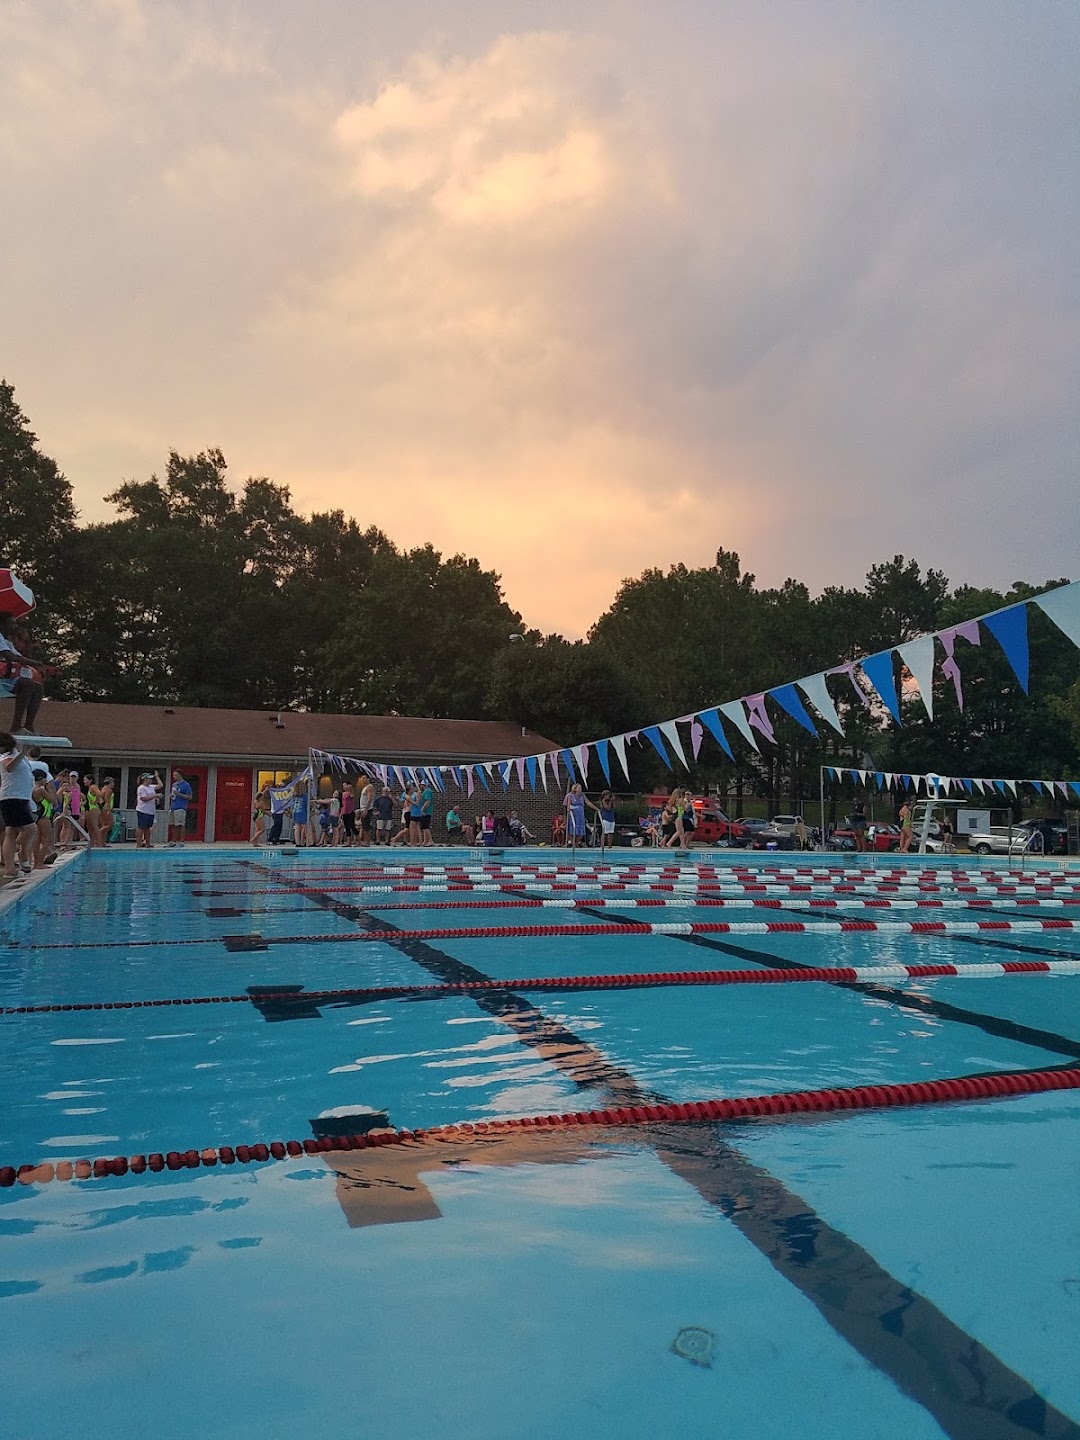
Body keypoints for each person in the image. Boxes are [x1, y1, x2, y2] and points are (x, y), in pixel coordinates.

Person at [1, 732, 37, 877]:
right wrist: (23, 753)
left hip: (20, 797)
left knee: (11, 831)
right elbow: (10, 768)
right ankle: (21, 853)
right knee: (30, 828)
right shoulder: (4, 756)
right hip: (12, 797)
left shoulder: (17, 756)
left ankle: (11, 868)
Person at [0, 628, 46, 735]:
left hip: (6, 678)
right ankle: (15, 726)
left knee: (38, 687)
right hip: (2, 679)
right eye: (11, 622)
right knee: (26, 684)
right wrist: (36, 663)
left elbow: (19, 657)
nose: (14, 624)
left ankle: (28, 726)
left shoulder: (7, 642)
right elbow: (11, 656)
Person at [135, 771, 162, 849]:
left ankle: (148, 843)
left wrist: (157, 777)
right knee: (141, 827)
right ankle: (139, 843)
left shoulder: (151, 787)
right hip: (143, 810)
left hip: (150, 811)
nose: (151, 780)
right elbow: (143, 798)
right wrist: (155, 795)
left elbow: (160, 785)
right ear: (145, 779)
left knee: (148, 828)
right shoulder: (141, 788)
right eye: (149, 778)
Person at [585, 789, 616, 855]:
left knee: (611, 832)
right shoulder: (603, 801)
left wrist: (613, 801)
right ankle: (602, 845)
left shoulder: (611, 801)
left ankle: (609, 846)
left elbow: (614, 807)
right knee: (605, 832)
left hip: (611, 818)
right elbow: (607, 808)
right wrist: (610, 802)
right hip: (606, 818)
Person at [168, 770, 193, 847]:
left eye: (175, 775)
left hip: (181, 807)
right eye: (173, 775)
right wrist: (171, 796)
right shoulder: (174, 785)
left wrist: (179, 794)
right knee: (174, 825)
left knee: (180, 824)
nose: (174, 776)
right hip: (173, 807)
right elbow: (174, 795)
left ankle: (181, 841)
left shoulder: (186, 785)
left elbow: (189, 797)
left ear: (180, 775)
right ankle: (173, 841)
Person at [565, 784, 586, 851]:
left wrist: (596, 808)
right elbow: (568, 805)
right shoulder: (570, 795)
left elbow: (588, 802)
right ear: (575, 788)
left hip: (580, 815)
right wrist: (569, 810)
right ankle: (572, 843)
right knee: (572, 828)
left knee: (581, 830)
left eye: (580, 787)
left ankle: (577, 843)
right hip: (573, 814)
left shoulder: (582, 795)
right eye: (579, 787)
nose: (580, 789)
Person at [357, 778, 375, 847]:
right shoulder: (365, 788)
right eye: (362, 778)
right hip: (363, 808)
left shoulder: (369, 787)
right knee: (364, 826)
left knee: (366, 826)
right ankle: (365, 841)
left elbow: (370, 799)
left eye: (364, 778)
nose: (363, 780)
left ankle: (367, 842)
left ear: (368, 779)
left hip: (367, 809)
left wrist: (366, 809)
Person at [418, 775, 435, 847]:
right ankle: (425, 841)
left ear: (423, 785)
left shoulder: (427, 791)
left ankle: (431, 841)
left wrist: (422, 809)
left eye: (421, 785)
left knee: (425, 827)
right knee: (424, 827)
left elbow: (427, 801)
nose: (420, 786)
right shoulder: (427, 791)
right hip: (426, 812)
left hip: (426, 812)